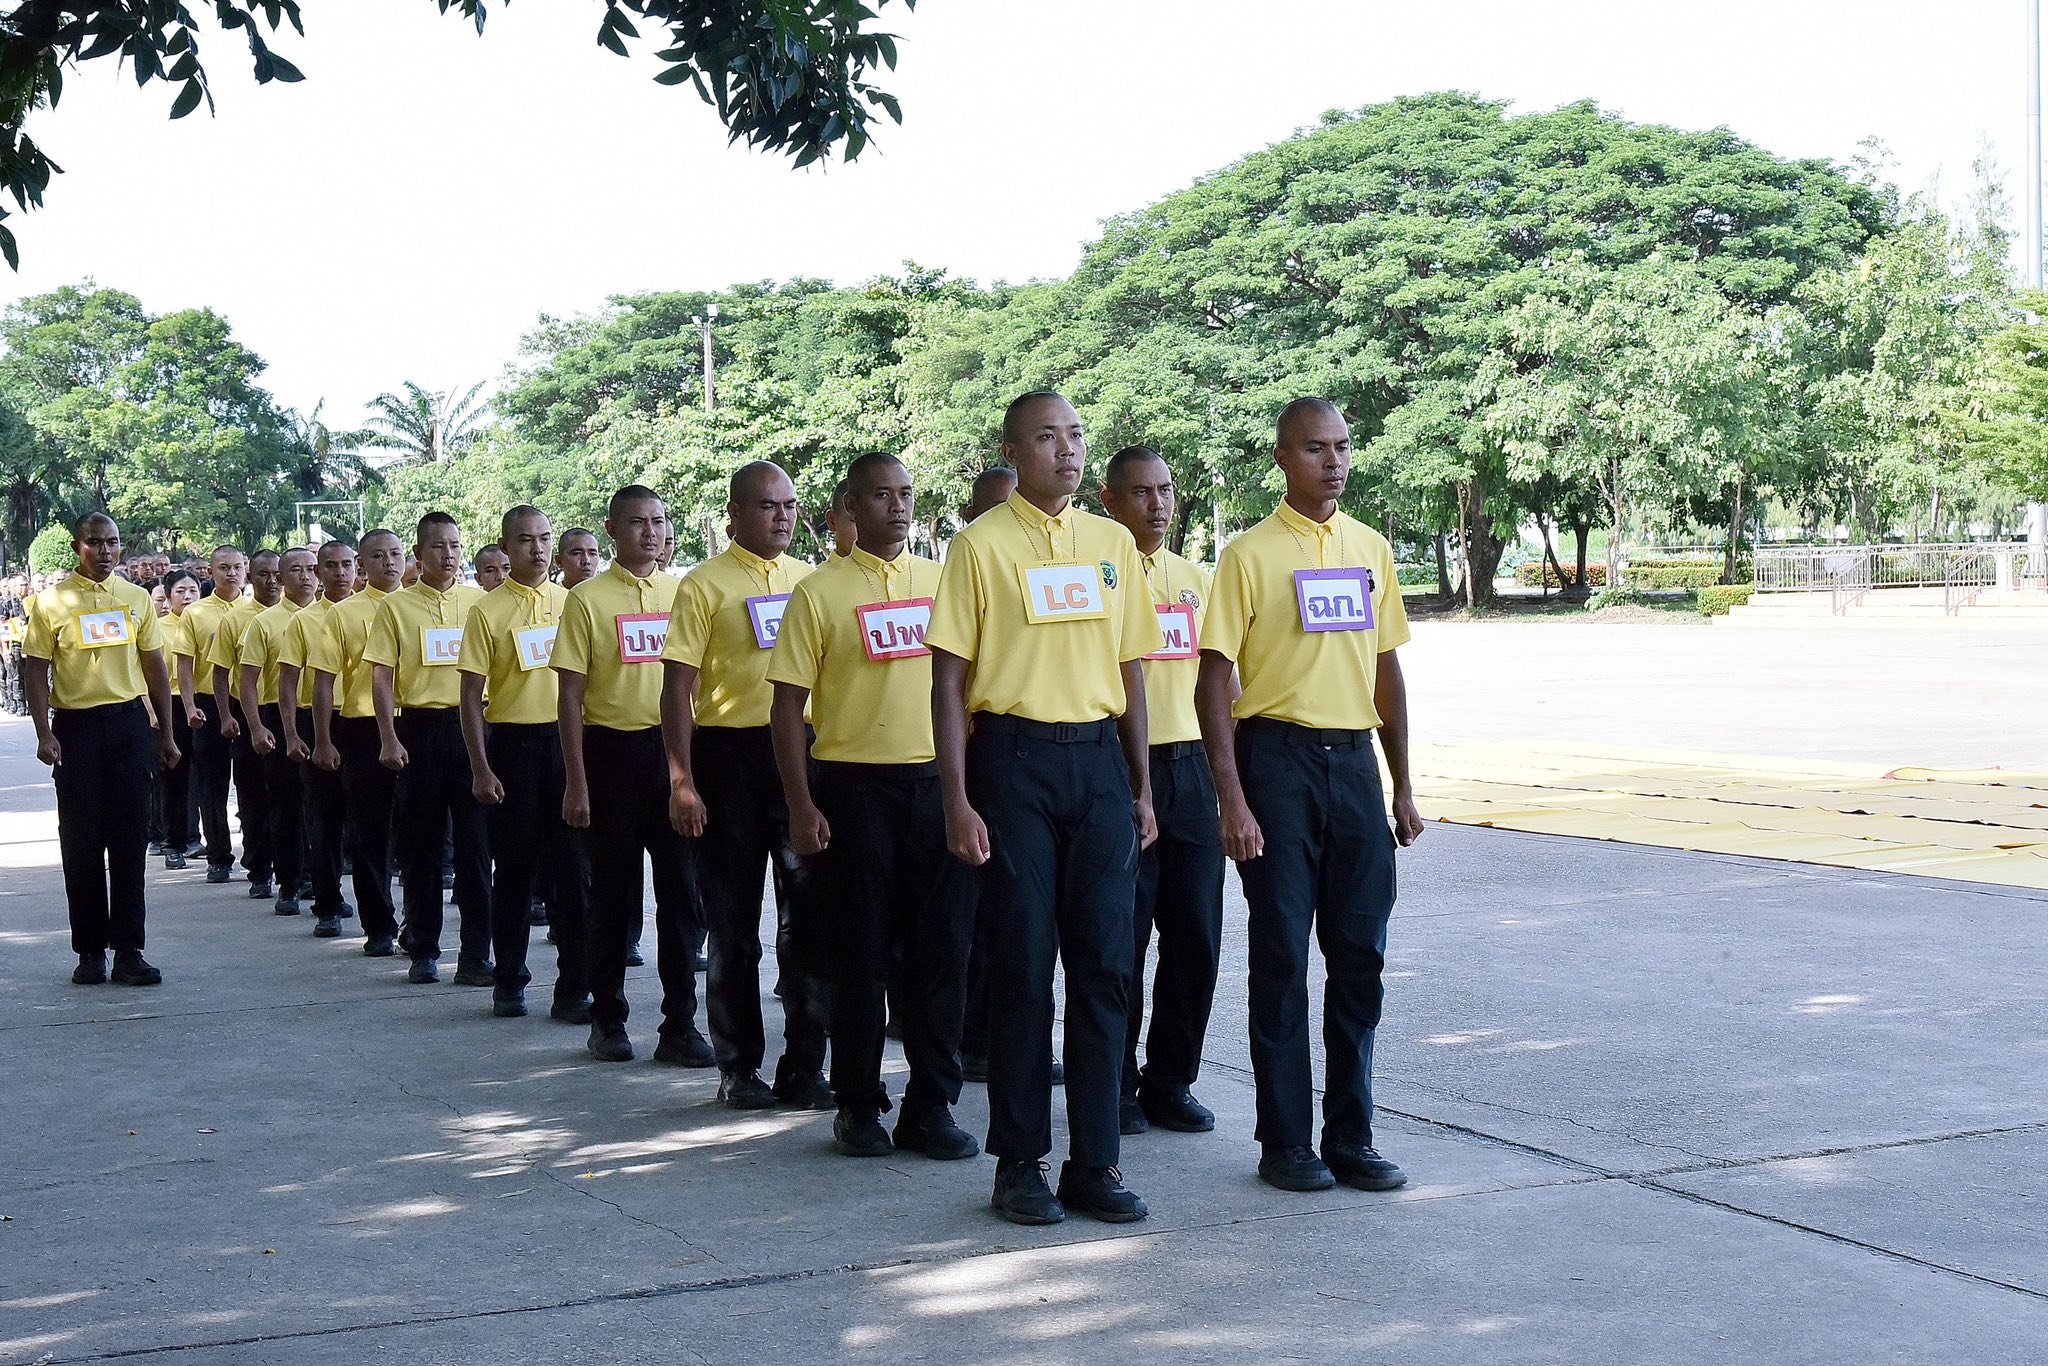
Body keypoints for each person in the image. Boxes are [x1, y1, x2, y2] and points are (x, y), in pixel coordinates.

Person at [927, 391, 1161, 1226]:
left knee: (1105, 967)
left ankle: (1095, 1161)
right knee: (1024, 968)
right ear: (1013, 451)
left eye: (1075, 436)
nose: (1066, 450)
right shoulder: (980, 545)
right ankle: (1019, 1163)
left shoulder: (1111, 544)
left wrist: (1139, 785)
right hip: (1013, 762)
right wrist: (957, 798)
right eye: (1047, 437)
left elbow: (1131, 668)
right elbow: (948, 680)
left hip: (1097, 764)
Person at [1196, 397, 1422, 1196]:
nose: (1334, 462)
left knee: (1360, 956)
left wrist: (1402, 783)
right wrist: (1232, 798)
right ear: (1282, 459)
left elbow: (1386, 671)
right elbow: (1213, 681)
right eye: (1316, 448)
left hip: (1354, 766)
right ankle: (1286, 1141)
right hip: (1277, 763)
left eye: (1343, 447)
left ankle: (1351, 1137)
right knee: (1283, 956)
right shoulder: (1248, 556)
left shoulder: (1369, 549)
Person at [768, 452, 976, 1159]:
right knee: (859, 955)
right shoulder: (818, 593)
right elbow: (787, 708)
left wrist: (966, 793)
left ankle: (931, 1105)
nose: (898, 507)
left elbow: (968, 686)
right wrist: (801, 805)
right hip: (853, 791)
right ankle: (858, 1104)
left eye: (907, 494)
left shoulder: (941, 583)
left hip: (936, 787)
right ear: (851, 508)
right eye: (881, 495)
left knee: (940, 955)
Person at [662, 461, 830, 1110]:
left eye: (789, 505)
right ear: (734, 514)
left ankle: (805, 1066)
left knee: (807, 923)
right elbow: (677, 689)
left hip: (801, 756)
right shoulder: (703, 585)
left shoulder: (809, 581)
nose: (782, 516)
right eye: (767, 506)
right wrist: (682, 779)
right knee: (733, 926)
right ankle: (738, 1065)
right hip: (728, 759)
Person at [1099, 445, 1228, 1137]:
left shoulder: (1196, 580)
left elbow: (1224, 683)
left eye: (1166, 490)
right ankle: (1114, 1081)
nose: (1158, 504)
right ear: (1110, 500)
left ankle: (1171, 1079)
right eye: (1142, 492)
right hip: (1123, 766)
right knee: (1122, 935)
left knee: (1196, 935)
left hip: (1193, 768)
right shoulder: (1100, 575)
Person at [555, 486, 710, 1065]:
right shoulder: (587, 599)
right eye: (638, 522)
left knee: (682, 897)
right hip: (612, 756)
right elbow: (570, 697)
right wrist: (576, 780)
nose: (651, 532)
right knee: (613, 896)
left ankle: (681, 1025)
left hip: (675, 755)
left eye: (659, 521)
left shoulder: (683, 592)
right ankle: (608, 1018)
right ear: (613, 529)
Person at [23, 512, 180, 986]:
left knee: (130, 841)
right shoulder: (50, 602)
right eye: (95, 542)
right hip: (76, 729)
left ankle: (130, 950)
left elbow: (154, 667)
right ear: (78, 547)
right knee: (81, 842)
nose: (106, 551)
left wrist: (165, 733)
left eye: (112, 542)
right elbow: (35, 669)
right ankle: (90, 951)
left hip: (128, 724)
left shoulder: (135, 598)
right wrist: (44, 732)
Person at [459, 505, 591, 1023]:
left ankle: (574, 988)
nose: (536, 549)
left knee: (574, 872)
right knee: (513, 870)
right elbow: (470, 697)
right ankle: (509, 980)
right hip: (514, 747)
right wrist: (481, 766)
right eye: (524, 540)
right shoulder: (487, 611)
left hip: (569, 744)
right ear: (506, 546)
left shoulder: (573, 602)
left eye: (544, 538)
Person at [365, 513, 489, 985]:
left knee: (476, 849)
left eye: (455, 545)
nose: (448, 554)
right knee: (422, 848)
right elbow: (381, 674)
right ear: (419, 555)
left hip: (473, 729)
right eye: (438, 546)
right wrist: (388, 736)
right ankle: (422, 947)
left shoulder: (479, 603)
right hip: (421, 730)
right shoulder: (396, 607)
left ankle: (476, 954)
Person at [309, 530, 406, 957]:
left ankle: (418, 926)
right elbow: (324, 682)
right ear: (362, 565)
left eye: (396, 554)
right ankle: (379, 925)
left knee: (419, 833)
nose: (389, 563)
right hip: (363, 729)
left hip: (417, 723)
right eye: (378, 556)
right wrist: (323, 739)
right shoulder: (343, 614)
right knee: (370, 832)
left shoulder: (420, 606)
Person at [236, 547, 318, 916]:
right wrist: (255, 726)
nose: (306, 576)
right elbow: (247, 681)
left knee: (322, 806)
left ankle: (320, 880)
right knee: (284, 804)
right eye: (296, 570)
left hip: (324, 716)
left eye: (311, 569)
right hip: (280, 717)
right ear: (281, 578)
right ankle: (289, 882)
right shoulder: (264, 623)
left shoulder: (329, 617)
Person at [280, 541, 356, 937]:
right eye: (331, 566)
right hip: (320, 723)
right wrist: (293, 733)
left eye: (347, 565)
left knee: (369, 821)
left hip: (368, 722)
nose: (340, 573)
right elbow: (288, 683)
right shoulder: (305, 621)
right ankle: (327, 902)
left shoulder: (374, 612)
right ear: (319, 573)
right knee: (324, 817)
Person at [210, 549, 283, 901]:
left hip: (289, 714)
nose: (272, 581)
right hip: (249, 713)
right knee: (253, 796)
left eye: (276, 574)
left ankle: (296, 870)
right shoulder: (235, 620)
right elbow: (221, 672)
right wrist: (226, 715)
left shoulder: (301, 615)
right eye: (263, 575)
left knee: (289, 797)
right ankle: (259, 869)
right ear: (251, 578)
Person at [181, 546, 247, 885]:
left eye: (237, 567)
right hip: (208, 704)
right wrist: (189, 705)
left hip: (249, 703)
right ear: (211, 571)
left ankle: (257, 853)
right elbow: (185, 663)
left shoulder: (256, 609)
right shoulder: (196, 613)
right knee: (212, 784)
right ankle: (219, 856)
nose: (231, 573)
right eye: (224, 568)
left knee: (252, 783)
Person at [156, 569, 203, 869]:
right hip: (171, 704)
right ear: (168, 596)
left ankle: (194, 836)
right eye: (181, 591)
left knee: (201, 777)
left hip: (204, 702)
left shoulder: (208, 622)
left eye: (193, 591)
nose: (187, 597)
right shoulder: (159, 628)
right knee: (175, 776)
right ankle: (172, 842)